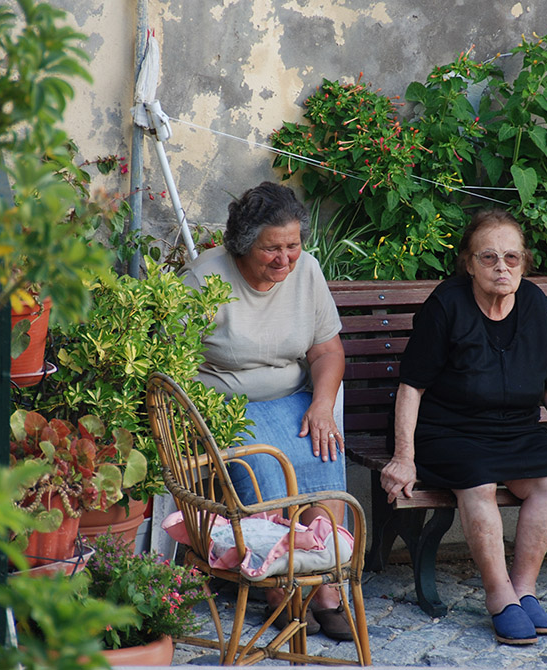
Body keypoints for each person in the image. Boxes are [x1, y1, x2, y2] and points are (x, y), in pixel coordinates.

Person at [380, 209, 547, 645]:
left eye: (512, 257)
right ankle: (499, 595)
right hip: (449, 431)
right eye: (488, 258)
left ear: (524, 262)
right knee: (479, 482)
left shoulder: (536, 304)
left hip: (516, 431)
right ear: (468, 262)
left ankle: (525, 590)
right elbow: (411, 387)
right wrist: (404, 457)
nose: (501, 267)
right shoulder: (445, 305)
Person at [180, 181, 352, 640]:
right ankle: (279, 591)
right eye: (271, 248)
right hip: (228, 405)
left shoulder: (307, 272)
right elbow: (170, 361)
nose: (284, 259)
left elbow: (327, 351)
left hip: (294, 398)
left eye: (292, 246)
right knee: (262, 466)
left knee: (324, 447)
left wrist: (321, 405)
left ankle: (327, 588)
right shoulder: (205, 278)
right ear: (242, 245)